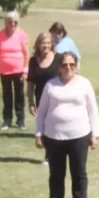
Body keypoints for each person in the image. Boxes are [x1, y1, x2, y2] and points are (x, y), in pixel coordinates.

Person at [35, 52, 99, 198]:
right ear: (59, 67)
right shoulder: (51, 85)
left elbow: (93, 110)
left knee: (79, 173)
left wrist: (95, 135)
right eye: (64, 65)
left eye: (71, 64)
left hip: (79, 135)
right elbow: (41, 111)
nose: (68, 68)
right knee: (56, 173)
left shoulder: (84, 84)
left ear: (76, 66)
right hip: (54, 136)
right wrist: (38, 133)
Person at [27, 33, 62, 165]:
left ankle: (59, 153)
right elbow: (30, 84)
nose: (46, 45)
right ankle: (49, 155)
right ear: (38, 45)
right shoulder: (33, 61)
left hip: (57, 98)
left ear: (52, 44)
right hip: (41, 98)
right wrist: (30, 102)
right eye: (43, 43)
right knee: (45, 127)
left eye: (48, 43)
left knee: (56, 126)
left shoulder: (59, 59)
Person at [0, 11, 29, 130]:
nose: (12, 24)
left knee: (19, 96)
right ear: (6, 23)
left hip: (19, 70)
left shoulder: (21, 34)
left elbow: (26, 53)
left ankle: (20, 121)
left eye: (15, 22)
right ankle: (7, 121)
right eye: (10, 22)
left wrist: (25, 70)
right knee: (7, 96)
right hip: (4, 70)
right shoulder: (0, 35)